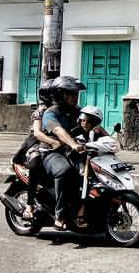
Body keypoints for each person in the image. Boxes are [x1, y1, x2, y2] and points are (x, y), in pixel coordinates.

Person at [41, 75, 87, 230]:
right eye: (71, 94)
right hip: (51, 153)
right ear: (61, 95)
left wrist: (110, 140)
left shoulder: (78, 111)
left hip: (72, 152)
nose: (75, 97)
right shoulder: (50, 113)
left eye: (76, 94)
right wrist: (73, 144)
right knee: (65, 170)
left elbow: (93, 125)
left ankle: (81, 211)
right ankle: (60, 215)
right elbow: (58, 131)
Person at [10, 78, 59, 220]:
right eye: (55, 93)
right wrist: (52, 141)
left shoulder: (61, 110)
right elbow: (37, 133)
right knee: (36, 162)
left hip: (54, 145)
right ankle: (30, 205)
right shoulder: (40, 111)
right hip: (36, 145)